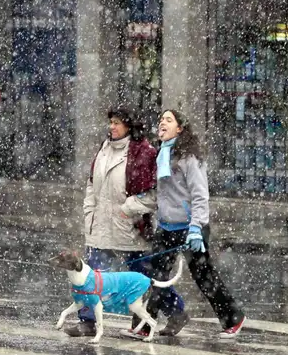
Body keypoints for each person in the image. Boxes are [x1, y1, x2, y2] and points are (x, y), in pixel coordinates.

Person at [66, 106, 188, 337]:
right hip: (100, 225)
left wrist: (127, 210)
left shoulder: (144, 153)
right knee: (93, 276)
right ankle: (88, 321)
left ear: (129, 126)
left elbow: (153, 195)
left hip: (130, 228)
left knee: (142, 276)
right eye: (110, 122)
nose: (112, 127)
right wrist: (89, 209)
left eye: (117, 123)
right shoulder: (104, 148)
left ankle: (176, 311)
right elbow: (93, 183)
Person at [133, 109, 246, 340]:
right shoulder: (161, 155)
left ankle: (233, 318)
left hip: (190, 227)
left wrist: (196, 228)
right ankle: (146, 325)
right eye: (161, 119)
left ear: (180, 129)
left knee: (204, 277)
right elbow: (161, 194)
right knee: (156, 277)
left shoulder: (188, 158)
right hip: (166, 227)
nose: (162, 123)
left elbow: (199, 194)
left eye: (168, 120)